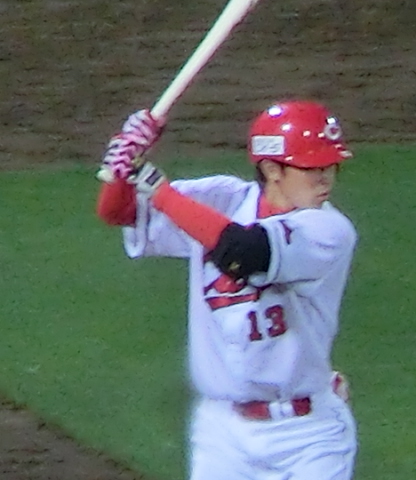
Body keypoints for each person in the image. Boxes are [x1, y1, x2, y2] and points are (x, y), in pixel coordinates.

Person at [95, 100, 358, 480]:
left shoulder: (329, 231)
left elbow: (243, 254)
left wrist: (157, 187)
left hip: (307, 437)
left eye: (330, 166)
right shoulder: (224, 200)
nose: (325, 179)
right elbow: (118, 213)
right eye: (312, 168)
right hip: (222, 433)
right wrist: (122, 164)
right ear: (272, 169)